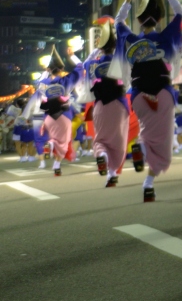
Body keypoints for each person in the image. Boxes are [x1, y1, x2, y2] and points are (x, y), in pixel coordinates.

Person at [114, 0, 182, 202]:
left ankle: (141, 149)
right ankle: (148, 182)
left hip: (138, 94)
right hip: (163, 92)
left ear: (138, 20)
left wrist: (127, 2)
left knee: (146, 130)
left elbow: (118, 22)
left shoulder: (131, 40)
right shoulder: (165, 38)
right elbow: (181, 15)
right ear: (160, 19)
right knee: (163, 142)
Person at [84, 14, 128, 185]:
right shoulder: (119, 60)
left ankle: (101, 155)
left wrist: (97, 51)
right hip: (119, 104)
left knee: (101, 139)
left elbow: (84, 65)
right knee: (118, 140)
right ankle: (112, 173)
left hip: (100, 104)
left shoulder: (92, 64)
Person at [34, 47, 77, 176]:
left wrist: (46, 72)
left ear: (48, 69)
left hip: (48, 116)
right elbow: (79, 69)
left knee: (54, 138)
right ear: (62, 69)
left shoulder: (42, 83)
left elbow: (39, 84)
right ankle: (57, 163)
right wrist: (73, 56)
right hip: (63, 114)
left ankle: (52, 149)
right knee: (64, 141)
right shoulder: (65, 81)